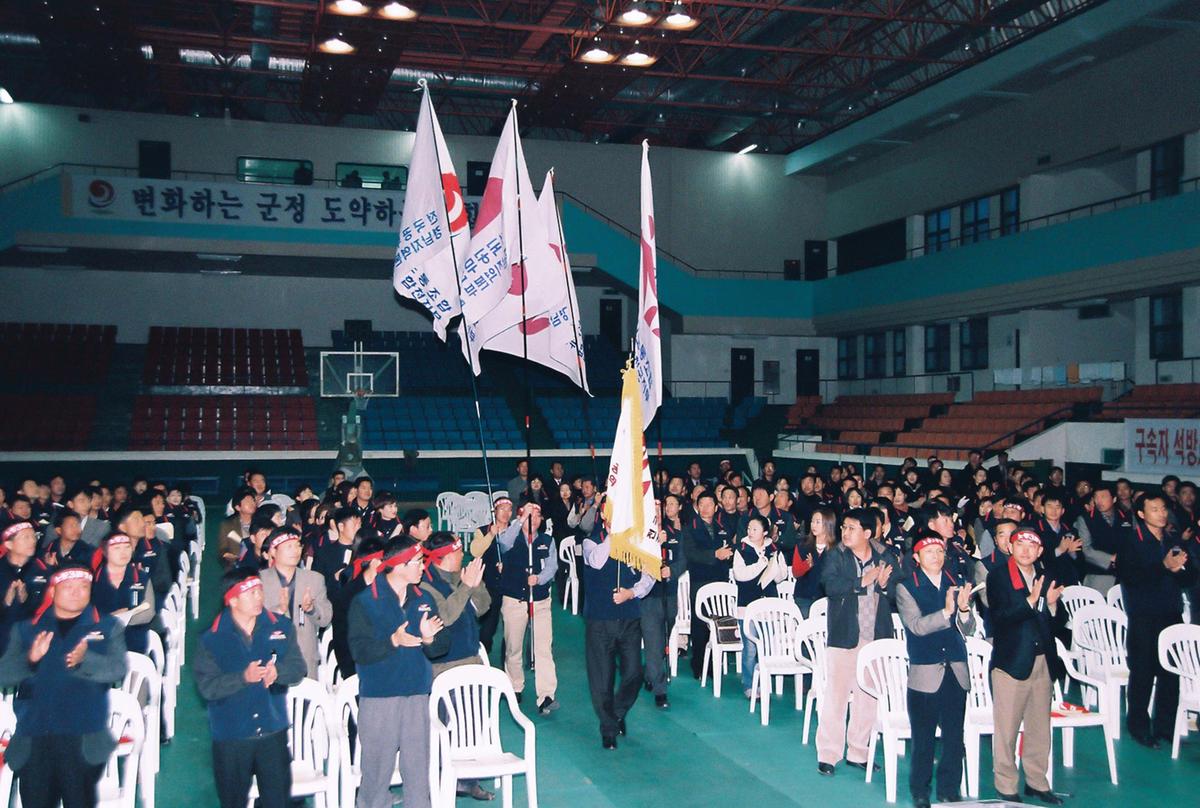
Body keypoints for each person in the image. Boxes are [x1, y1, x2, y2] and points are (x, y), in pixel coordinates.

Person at [0, 562, 128, 808]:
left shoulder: (107, 627)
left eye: (83, 587)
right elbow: (4, 675)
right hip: (35, 737)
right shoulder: (26, 629)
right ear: (53, 590)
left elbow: (117, 668)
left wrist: (85, 660)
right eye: (69, 586)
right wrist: (30, 660)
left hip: (82, 737)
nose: (77, 592)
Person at [348, 536, 447, 808]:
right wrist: (393, 640)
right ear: (399, 565)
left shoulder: (424, 598)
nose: (423, 566)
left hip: (417, 696)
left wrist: (429, 639)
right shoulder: (366, 601)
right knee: (376, 775)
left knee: (418, 774)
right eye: (417, 562)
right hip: (380, 697)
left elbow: (442, 646)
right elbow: (359, 651)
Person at [195, 568, 307, 808]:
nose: (259, 597)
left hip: (272, 732)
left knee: (278, 801)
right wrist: (243, 678)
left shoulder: (281, 627)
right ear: (232, 600)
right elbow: (207, 687)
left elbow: (298, 667)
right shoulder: (211, 638)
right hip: (232, 735)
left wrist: (278, 672)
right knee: (233, 801)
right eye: (251, 593)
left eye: (260, 591)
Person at [986, 528, 1066, 804]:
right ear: (1010, 547)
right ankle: (1006, 785)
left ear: (1040, 551)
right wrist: (1031, 601)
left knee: (1039, 726)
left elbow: (1059, 621)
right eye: (1020, 544)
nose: (1025, 550)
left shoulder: (1046, 576)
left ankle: (1036, 781)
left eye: (1032, 546)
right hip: (1011, 660)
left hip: (1043, 659)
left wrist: (1052, 606)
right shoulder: (998, 576)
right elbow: (1000, 617)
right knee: (1007, 729)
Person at [896, 536, 975, 807]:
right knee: (924, 736)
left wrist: (963, 610)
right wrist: (946, 612)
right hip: (926, 670)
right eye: (929, 552)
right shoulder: (907, 587)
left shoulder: (956, 583)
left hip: (955, 667)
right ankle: (920, 790)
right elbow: (916, 626)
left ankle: (949, 789)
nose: (936, 556)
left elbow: (968, 629)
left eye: (940, 551)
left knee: (954, 736)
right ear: (916, 558)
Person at [816, 508, 895, 777]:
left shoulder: (885, 555)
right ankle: (828, 754)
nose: (845, 533)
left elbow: (897, 589)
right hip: (844, 634)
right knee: (836, 697)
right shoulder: (836, 555)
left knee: (867, 698)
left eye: (851, 528)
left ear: (867, 533)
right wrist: (863, 580)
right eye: (844, 527)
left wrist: (883, 585)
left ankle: (858, 752)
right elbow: (830, 586)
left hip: (875, 636)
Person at [1117, 491, 1198, 748]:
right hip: (1143, 614)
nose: (1162, 514)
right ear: (1141, 514)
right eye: (1154, 509)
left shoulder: (1173, 540)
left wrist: (1180, 568)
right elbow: (1130, 577)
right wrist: (1164, 566)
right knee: (1142, 672)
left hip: (1170, 613)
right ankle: (1138, 727)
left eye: (1163, 508)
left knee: (1170, 673)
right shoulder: (1131, 541)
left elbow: (1189, 577)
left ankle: (1165, 727)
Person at [418, 531, 494, 801]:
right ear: (447, 556)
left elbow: (484, 606)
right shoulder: (426, 585)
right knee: (444, 725)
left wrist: (475, 584)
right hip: (444, 667)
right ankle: (439, 779)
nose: (463, 555)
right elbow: (446, 616)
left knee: (472, 724)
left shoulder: (460, 576)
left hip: (470, 660)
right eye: (459, 551)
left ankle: (467, 780)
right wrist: (465, 587)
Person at [582, 505, 654, 749]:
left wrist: (631, 593)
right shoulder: (591, 541)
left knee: (634, 673)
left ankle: (617, 712)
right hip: (600, 621)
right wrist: (615, 537)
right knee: (602, 680)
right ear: (604, 516)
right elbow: (596, 561)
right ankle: (608, 728)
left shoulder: (637, 543)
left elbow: (649, 576)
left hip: (629, 619)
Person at [496, 503, 559, 713]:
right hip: (514, 600)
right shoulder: (510, 536)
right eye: (530, 515)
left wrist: (539, 578)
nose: (534, 518)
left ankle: (546, 695)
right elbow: (503, 544)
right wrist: (522, 519)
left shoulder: (547, 541)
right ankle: (515, 685)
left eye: (538, 515)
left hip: (540, 601)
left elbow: (552, 566)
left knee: (543, 648)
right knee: (513, 647)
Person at [260, 528, 332, 679]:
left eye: (298, 545)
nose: (295, 551)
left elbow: (325, 619)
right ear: (273, 551)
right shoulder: (259, 581)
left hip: (305, 658)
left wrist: (311, 609)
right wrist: (277, 611)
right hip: (269, 658)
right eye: (289, 546)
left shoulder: (314, 579)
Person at [732, 513, 787, 699]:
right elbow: (739, 575)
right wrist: (760, 565)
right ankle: (749, 685)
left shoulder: (774, 548)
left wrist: (775, 567)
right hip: (747, 605)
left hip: (768, 605)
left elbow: (781, 577)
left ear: (765, 532)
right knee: (750, 649)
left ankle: (764, 682)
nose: (750, 532)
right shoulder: (741, 549)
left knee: (767, 646)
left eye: (755, 529)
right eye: (749, 528)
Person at [681, 491, 735, 680]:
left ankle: (715, 664)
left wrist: (727, 555)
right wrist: (714, 555)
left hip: (720, 581)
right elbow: (691, 553)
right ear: (697, 507)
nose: (705, 508)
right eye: (701, 504)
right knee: (700, 626)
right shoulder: (690, 528)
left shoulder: (723, 526)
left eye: (709, 504)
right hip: (700, 582)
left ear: (716, 507)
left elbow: (729, 549)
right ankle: (699, 665)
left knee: (718, 622)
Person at [642, 495, 685, 708]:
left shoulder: (675, 533)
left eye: (661, 508)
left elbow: (684, 559)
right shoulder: (640, 536)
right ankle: (660, 690)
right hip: (649, 597)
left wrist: (672, 570)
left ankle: (651, 673)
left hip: (669, 594)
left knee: (661, 641)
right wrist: (653, 546)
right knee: (653, 642)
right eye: (654, 509)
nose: (658, 513)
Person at [89, 532, 156, 654]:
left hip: (134, 640)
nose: (123, 552)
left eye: (127, 547)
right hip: (101, 639)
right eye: (117, 548)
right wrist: (111, 619)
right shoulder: (91, 580)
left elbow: (148, 613)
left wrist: (123, 618)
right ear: (105, 551)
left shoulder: (141, 577)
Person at [470, 495, 514, 654]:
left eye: (509, 510)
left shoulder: (516, 531)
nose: (506, 513)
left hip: (511, 584)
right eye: (502, 509)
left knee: (512, 627)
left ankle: (507, 658)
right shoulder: (482, 531)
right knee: (489, 624)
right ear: (494, 511)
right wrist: (490, 535)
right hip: (489, 583)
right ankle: (483, 654)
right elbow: (475, 551)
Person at [0, 522, 50, 654]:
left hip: (26, 635)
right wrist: (4, 603)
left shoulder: (41, 570)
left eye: (34, 536)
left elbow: (43, 608)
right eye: (26, 537)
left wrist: (26, 600)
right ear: (9, 544)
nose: (32, 541)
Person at [1074, 484, 1128, 594]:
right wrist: (1112, 558)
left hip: (1126, 574)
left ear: (1114, 499)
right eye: (1096, 497)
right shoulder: (1085, 519)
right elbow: (1086, 549)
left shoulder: (1127, 517)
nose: (1099, 501)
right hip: (1099, 576)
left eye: (1103, 497)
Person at [219, 487, 258, 570]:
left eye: (253, 501)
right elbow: (222, 549)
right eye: (247, 502)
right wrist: (229, 556)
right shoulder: (228, 524)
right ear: (238, 507)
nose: (252, 504)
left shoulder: (261, 522)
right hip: (236, 566)